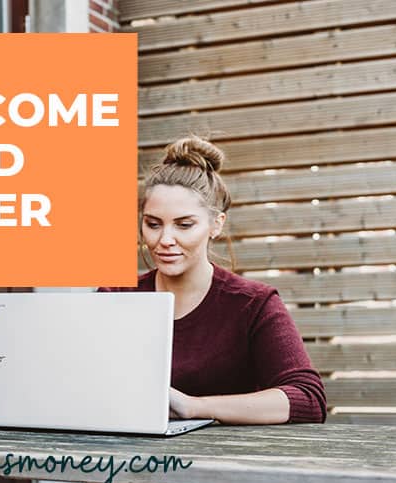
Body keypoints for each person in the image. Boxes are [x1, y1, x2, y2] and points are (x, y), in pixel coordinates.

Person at [99, 134, 326, 424]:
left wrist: (194, 407)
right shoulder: (115, 296)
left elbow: (308, 400)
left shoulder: (253, 304)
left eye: (184, 225)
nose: (165, 239)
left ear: (216, 225)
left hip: (223, 463)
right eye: (153, 224)